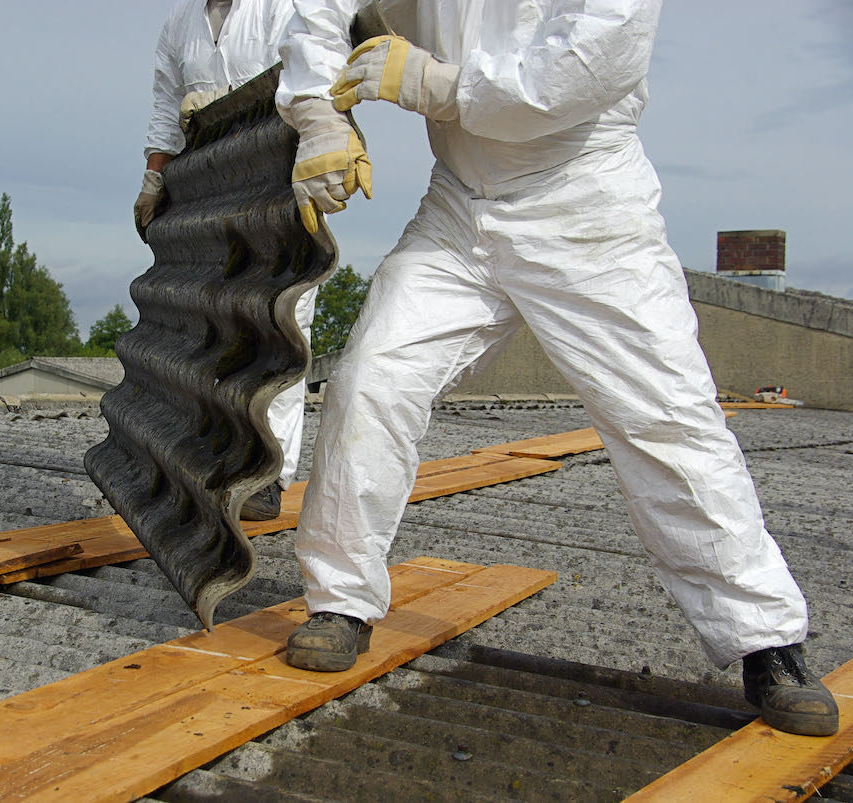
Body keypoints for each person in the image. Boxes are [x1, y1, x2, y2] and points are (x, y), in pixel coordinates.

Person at [274, 0, 839, 737]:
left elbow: (574, 73)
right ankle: (340, 600)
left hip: (585, 202)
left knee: (665, 416)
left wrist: (431, 85)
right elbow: (321, 7)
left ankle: (766, 639)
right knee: (371, 378)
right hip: (459, 207)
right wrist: (320, 114)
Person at [136, 0, 311, 521]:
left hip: (280, 177)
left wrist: (237, 105)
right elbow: (167, 105)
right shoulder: (181, 23)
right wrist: (154, 177)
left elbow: (316, 77)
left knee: (281, 322)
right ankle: (212, 457)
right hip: (209, 187)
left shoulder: (285, 7)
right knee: (212, 323)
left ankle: (269, 473)